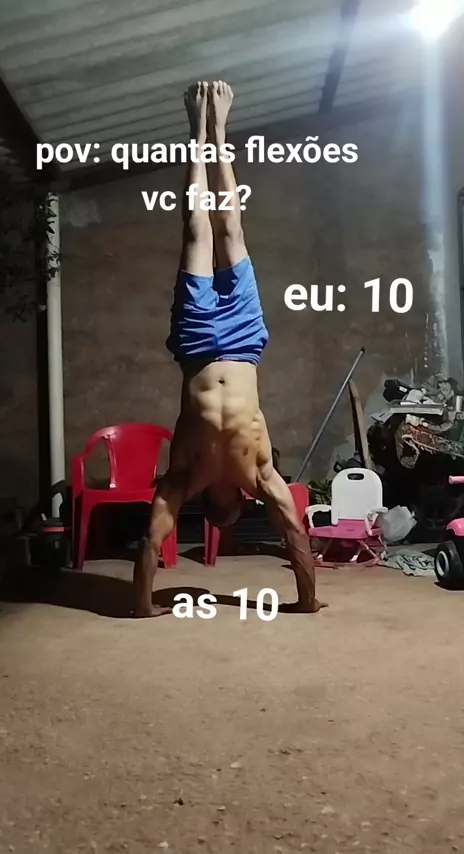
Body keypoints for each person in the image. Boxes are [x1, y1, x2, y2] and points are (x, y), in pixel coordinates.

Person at [133, 80, 325, 617]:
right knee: (227, 232)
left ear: (231, 503)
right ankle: (216, 130)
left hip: (199, 346)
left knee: (202, 233)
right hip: (240, 344)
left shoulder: (187, 478)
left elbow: (152, 534)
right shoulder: (259, 475)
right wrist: (308, 601)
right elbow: (294, 531)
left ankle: (200, 130)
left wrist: (144, 604)